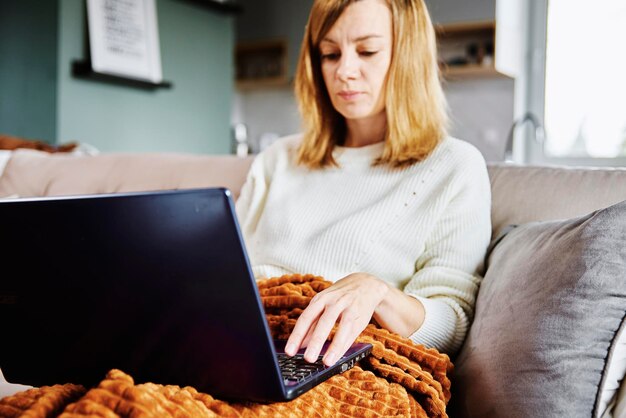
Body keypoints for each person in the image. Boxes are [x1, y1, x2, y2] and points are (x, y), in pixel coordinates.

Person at [235, 0, 491, 367]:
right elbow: (228, 272)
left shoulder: (454, 166)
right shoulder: (277, 158)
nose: (345, 71)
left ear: (408, 56)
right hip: (247, 341)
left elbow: (451, 322)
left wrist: (378, 292)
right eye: (329, 54)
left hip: (338, 361)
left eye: (367, 51)